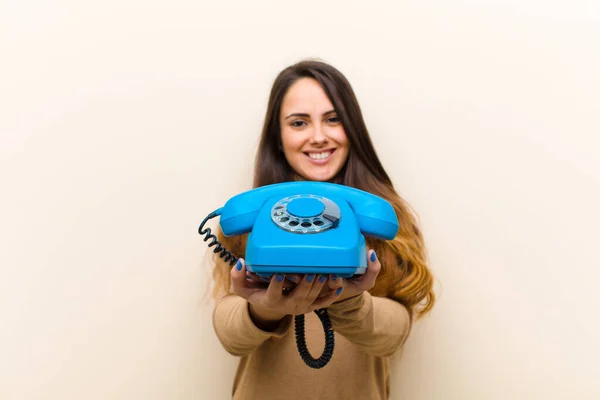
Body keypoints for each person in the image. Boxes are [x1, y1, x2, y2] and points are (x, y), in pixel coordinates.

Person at [208, 59, 436, 399]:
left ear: (352, 129)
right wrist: (266, 309)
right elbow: (230, 335)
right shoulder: (254, 220)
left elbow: (394, 334)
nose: (318, 137)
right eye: (299, 122)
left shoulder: (390, 217)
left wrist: (348, 301)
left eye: (333, 119)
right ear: (279, 138)